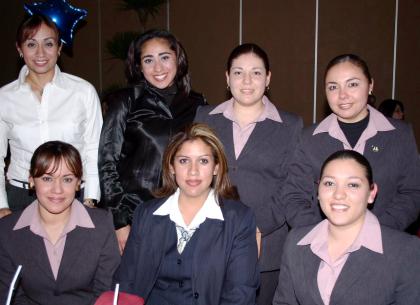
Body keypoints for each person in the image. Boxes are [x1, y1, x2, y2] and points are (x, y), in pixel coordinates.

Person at [195, 43, 304, 305]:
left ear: (268, 78)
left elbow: (292, 187)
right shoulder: (205, 117)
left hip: (266, 245)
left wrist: (251, 225)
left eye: (256, 73)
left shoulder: (290, 125)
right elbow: (195, 176)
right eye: (238, 72)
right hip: (209, 238)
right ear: (227, 77)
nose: (246, 81)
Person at [115, 123, 259, 305]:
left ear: (216, 167)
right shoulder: (146, 214)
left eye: (203, 161)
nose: (193, 171)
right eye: (184, 160)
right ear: (172, 167)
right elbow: (126, 281)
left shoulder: (238, 219)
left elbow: (240, 294)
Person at [282, 54, 420, 231]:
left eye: (353, 84)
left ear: (370, 85)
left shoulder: (400, 135)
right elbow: (293, 196)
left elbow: (412, 192)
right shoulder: (310, 139)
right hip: (323, 247)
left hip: (385, 243)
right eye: (333, 87)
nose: (342, 95)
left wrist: (376, 232)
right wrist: (321, 235)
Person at [98, 29, 206, 253]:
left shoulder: (196, 103)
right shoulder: (125, 100)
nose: (158, 68)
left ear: (178, 59)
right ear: (138, 66)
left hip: (184, 215)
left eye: (165, 57)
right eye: (149, 60)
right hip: (134, 215)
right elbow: (107, 162)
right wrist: (120, 222)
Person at [273, 150, 420, 305]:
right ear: (318, 191)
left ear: (371, 193)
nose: (338, 195)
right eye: (329, 183)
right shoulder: (296, 241)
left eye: (352, 185)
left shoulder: (407, 251)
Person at [0, 14, 102, 217]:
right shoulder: (4, 97)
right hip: (22, 197)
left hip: (73, 195)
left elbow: (94, 149)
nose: (40, 53)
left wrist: (90, 198)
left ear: (59, 48)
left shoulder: (83, 92)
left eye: (48, 43)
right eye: (31, 44)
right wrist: (2, 206)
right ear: (20, 49)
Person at [0, 141, 120, 305]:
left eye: (67, 179)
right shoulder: (7, 230)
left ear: (78, 183)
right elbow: (11, 296)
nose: (57, 190)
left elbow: (105, 293)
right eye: (47, 178)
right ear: (32, 180)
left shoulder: (102, 224)